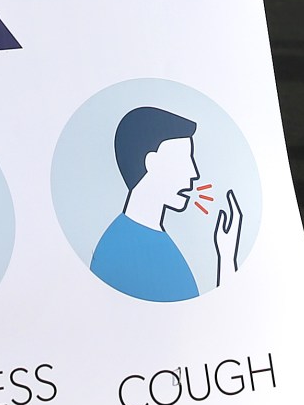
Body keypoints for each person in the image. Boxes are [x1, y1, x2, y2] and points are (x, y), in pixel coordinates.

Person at [89, 107, 243, 301]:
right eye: (183, 160)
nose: (194, 173)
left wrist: (227, 256)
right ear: (150, 162)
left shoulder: (153, 239)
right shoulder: (120, 248)